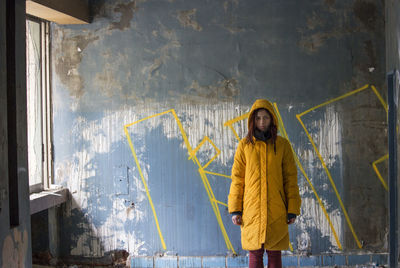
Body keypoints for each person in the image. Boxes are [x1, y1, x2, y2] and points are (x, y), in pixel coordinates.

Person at [228, 99, 301, 268]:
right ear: (253, 120)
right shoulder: (244, 146)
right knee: (255, 252)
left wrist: (292, 210)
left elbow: (290, 179)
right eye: (258, 118)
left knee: (275, 253)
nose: (262, 122)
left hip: (276, 209)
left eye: (266, 118)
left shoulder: (282, 145)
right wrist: (235, 209)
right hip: (251, 209)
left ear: (272, 119)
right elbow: (237, 179)